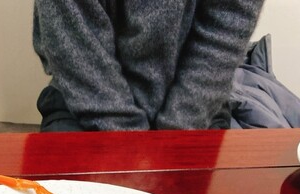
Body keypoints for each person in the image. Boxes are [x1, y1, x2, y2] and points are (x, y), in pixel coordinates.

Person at [33, 0, 265, 132]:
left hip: (195, 107)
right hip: (85, 99)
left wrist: (175, 135)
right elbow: (76, 48)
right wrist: (130, 143)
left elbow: (222, 35)